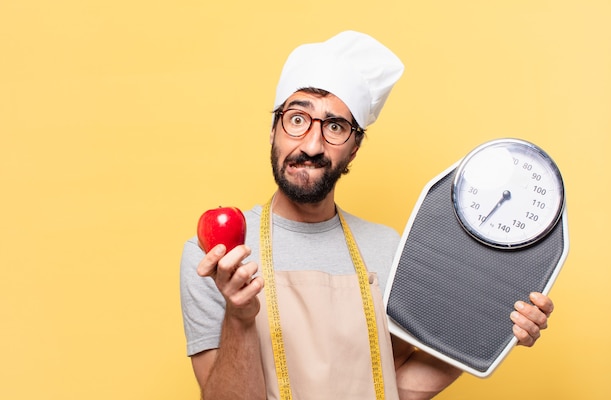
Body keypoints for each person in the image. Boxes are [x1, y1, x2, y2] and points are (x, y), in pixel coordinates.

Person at [180, 31, 554, 400]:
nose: (311, 144)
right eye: (297, 119)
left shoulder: (390, 251)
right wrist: (240, 316)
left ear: (354, 149)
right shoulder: (217, 256)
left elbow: (397, 389)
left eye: (335, 127)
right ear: (273, 130)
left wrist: (494, 327)